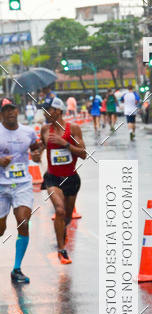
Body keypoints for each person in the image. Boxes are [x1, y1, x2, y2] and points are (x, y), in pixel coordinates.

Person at [0, 98, 43, 283]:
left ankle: (17, 269)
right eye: (6, 110)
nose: (10, 112)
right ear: (1, 114)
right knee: (0, 230)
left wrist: (36, 154)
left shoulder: (28, 132)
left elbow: (36, 147)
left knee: (23, 222)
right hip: (1, 186)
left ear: (17, 111)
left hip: (22, 184)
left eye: (13, 109)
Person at [40, 97, 87, 265]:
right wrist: (36, 153)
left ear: (58, 111)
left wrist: (65, 144)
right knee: (59, 211)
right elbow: (40, 148)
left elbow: (83, 154)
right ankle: (62, 249)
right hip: (52, 178)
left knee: (66, 217)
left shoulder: (73, 129)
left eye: (48, 110)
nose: (45, 113)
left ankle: (63, 230)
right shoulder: (45, 130)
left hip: (71, 179)